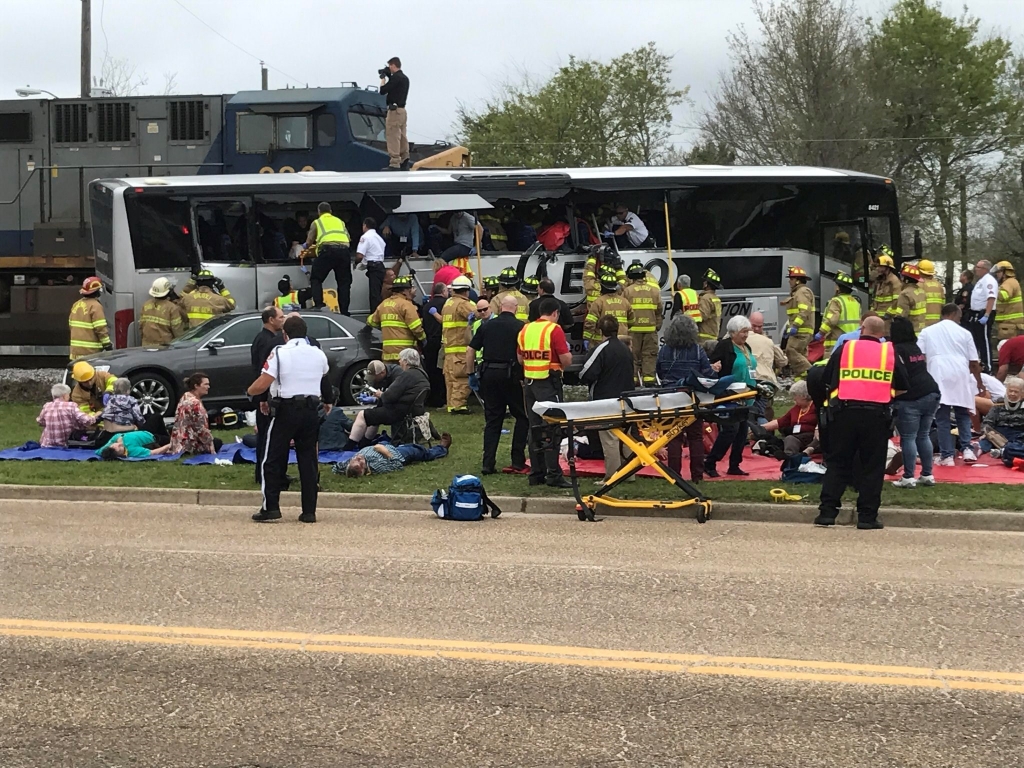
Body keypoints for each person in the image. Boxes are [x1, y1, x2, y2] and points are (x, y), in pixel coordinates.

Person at [814, 315, 909, 529]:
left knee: (838, 463)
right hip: (876, 415)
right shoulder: (889, 352)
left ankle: (827, 513)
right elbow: (903, 386)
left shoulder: (845, 348)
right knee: (872, 467)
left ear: (862, 328)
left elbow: (826, 379)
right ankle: (867, 517)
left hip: (844, 413)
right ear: (882, 333)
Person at [248, 315, 330, 524]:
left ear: (285, 334)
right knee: (308, 461)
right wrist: (328, 401)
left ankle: (271, 507)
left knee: (272, 458)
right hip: (312, 412)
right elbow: (325, 381)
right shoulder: (318, 353)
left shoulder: (280, 352)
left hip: (286, 411)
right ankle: (309, 511)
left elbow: (264, 381)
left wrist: (250, 392)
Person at [468, 295, 529, 475]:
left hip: (489, 375)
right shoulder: (521, 327)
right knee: (522, 417)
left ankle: (488, 464)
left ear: (500, 308)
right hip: (511, 376)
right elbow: (523, 354)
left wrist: (471, 373)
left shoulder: (487, 326)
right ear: (516, 308)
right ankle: (517, 461)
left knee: (493, 420)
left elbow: (471, 349)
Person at [917, 304, 984, 466]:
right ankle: (967, 449)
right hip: (960, 373)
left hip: (938, 373)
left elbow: (919, 355)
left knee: (942, 417)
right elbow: (974, 362)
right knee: (962, 412)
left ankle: (947, 456)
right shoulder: (965, 333)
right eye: (960, 317)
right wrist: (980, 383)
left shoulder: (927, 332)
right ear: (954, 314)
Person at [518, 296, 573, 488]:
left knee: (535, 429)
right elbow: (566, 359)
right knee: (553, 428)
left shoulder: (526, 329)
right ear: (555, 313)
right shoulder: (554, 329)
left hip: (530, 383)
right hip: (549, 383)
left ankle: (536, 473)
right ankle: (553, 474)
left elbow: (520, 358)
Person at [656, 315, 719, 482]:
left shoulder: (664, 350)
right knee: (695, 436)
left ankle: (674, 475)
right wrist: (715, 369)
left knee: (673, 436)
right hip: (691, 397)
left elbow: (660, 371)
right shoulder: (698, 350)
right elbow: (707, 374)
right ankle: (697, 476)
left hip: (670, 397)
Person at [580, 314, 638, 483]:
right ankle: (630, 473)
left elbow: (586, 373)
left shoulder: (601, 349)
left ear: (600, 330)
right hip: (626, 399)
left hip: (606, 401)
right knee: (626, 438)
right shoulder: (625, 349)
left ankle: (611, 476)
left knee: (610, 439)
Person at [888, 317, 941, 488]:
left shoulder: (895, 350)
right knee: (923, 435)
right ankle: (927, 474)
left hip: (911, 397)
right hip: (932, 391)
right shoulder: (915, 348)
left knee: (908, 437)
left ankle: (908, 477)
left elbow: (900, 374)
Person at [346, 348, 430, 449]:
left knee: (362, 415)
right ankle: (364, 443)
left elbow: (389, 397)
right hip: (413, 410)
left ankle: (350, 446)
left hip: (399, 413)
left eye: (401, 359)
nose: (399, 361)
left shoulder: (406, 375)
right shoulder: (422, 374)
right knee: (375, 414)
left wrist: (380, 395)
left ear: (406, 361)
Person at [706, 315, 758, 477]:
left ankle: (734, 465)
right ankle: (710, 462)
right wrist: (714, 367)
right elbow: (711, 366)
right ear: (733, 332)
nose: (746, 335)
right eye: (743, 332)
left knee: (742, 432)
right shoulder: (725, 346)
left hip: (746, 395)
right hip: (729, 395)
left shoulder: (746, 347)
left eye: (747, 332)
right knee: (730, 429)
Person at [250, 306, 286, 484]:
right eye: (280, 317)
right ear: (271, 320)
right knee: (266, 438)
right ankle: (264, 475)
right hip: (265, 398)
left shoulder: (265, 338)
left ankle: (273, 474)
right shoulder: (267, 341)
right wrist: (262, 399)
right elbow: (263, 372)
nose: (283, 319)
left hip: (264, 397)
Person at [305, 202, 353, 314]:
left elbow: (309, 242)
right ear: (330, 211)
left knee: (316, 278)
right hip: (344, 252)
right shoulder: (340, 221)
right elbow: (348, 238)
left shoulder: (317, 222)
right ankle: (345, 311)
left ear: (319, 212)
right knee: (344, 283)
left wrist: (307, 247)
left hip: (328, 251)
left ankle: (319, 305)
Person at [367, 275, 426, 362]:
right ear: (405, 291)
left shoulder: (383, 304)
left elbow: (371, 322)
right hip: (404, 354)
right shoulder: (406, 305)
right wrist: (423, 338)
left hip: (388, 355)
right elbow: (416, 328)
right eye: (410, 289)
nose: (412, 292)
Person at [338, 433, 453, 477]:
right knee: (421, 451)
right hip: (399, 453)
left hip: (386, 445)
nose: (358, 458)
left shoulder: (347, 466)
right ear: (364, 469)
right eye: (360, 463)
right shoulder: (376, 466)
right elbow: (397, 464)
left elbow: (337, 467)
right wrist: (384, 451)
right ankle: (442, 449)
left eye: (354, 460)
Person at [439, 274, 474, 413]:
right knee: (462, 379)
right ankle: (458, 406)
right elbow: (480, 316)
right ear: (466, 290)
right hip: (461, 349)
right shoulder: (464, 305)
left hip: (449, 350)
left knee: (451, 380)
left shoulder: (448, 304)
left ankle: (451, 405)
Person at [623, 261, 662, 386]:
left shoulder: (628, 291)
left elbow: (625, 310)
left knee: (632, 356)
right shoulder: (655, 291)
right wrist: (657, 325)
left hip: (633, 330)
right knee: (649, 356)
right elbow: (659, 311)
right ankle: (649, 382)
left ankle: (633, 381)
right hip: (650, 330)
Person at [759, 381, 818, 458]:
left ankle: (789, 456)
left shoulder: (816, 406)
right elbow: (780, 422)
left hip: (812, 436)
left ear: (803, 396)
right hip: (798, 436)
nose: (794, 398)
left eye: (795, 395)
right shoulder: (796, 408)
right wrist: (759, 428)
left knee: (790, 439)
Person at [747, 311, 786, 419]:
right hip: (765, 381)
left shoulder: (737, 336)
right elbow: (783, 361)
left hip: (747, 381)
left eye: (759, 326)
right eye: (754, 326)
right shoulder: (767, 341)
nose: (756, 329)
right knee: (762, 411)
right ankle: (764, 431)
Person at [170, 372, 221, 455]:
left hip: (178, 441)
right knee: (218, 442)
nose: (208, 387)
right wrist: (211, 447)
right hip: (189, 445)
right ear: (196, 386)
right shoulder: (195, 403)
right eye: (206, 384)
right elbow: (201, 429)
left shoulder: (185, 396)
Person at [37, 383, 99, 448]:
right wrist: (96, 415)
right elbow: (87, 420)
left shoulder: (47, 406)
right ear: (64, 396)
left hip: (47, 445)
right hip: (67, 443)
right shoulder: (71, 406)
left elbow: (40, 421)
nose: (69, 397)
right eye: (69, 395)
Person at [814, 272, 860, 356]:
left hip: (837, 340)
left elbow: (832, 320)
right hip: (853, 340)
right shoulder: (855, 302)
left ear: (838, 288)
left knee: (830, 364)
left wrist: (821, 332)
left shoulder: (836, 301)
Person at [584, 267, 633, 345]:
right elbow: (631, 321)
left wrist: (587, 338)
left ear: (602, 286)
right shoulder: (625, 302)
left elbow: (590, 322)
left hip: (602, 340)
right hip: (622, 340)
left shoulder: (598, 302)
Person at [781, 266, 815, 380]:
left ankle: (812, 374)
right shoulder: (797, 292)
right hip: (800, 331)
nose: (789, 281)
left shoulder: (802, 292)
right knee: (801, 356)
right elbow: (794, 314)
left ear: (797, 280)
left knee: (791, 351)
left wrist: (795, 326)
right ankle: (802, 382)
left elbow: (804, 310)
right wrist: (788, 327)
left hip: (801, 331)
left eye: (791, 278)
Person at [69, 275, 112, 359]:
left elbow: (71, 324)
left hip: (75, 352)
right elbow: (100, 328)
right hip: (90, 352)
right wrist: (107, 345)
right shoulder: (95, 306)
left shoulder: (76, 304)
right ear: (97, 291)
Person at [966, 259, 998, 372]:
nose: (976, 269)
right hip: (975, 313)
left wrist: (986, 314)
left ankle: (988, 366)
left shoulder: (989, 281)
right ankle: (979, 363)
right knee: (976, 340)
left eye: (978, 267)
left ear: (985, 269)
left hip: (983, 312)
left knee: (984, 340)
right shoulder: (981, 281)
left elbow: (991, 298)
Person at [980, 376, 1024, 457]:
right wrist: (986, 432)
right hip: (999, 432)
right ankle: (978, 450)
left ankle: (1003, 452)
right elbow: (988, 421)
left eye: (1016, 392)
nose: (1012, 394)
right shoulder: (1000, 402)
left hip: (1018, 433)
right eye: (1010, 391)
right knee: (986, 440)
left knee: (1019, 442)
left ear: (1022, 393)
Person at [379, 56, 410, 170]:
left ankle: (394, 162)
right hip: (402, 111)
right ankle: (405, 158)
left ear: (393, 65)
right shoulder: (405, 78)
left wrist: (383, 79)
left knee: (392, 136)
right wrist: (389, 76)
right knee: (402, 135)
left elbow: (383, 91)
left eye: (389, 66)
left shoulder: (396, 78)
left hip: (394, 111)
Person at [421, 281, 449, 408]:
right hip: (442, 341)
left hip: (429, 342)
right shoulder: (447, 304)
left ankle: (432, 398)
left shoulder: (427, 306)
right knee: (443, 371)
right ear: (443, 292)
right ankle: (442, 398)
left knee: (431, 371)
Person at [353, 217, 388, 312]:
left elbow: (360, 255)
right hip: (380, 266)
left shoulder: (365, 237)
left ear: (365, 225)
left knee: (374, 296)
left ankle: (375, 318)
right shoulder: (379, 238)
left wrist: (355, 263)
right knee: (378, 294)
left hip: (374, 267)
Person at [138, 277, 185, 347]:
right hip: (164, 348)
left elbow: (141, 327)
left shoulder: (146, 305)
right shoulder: (172, 308)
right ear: (169, 292)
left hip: (146, 346)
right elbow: (178, 331)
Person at [870, 246, 901, 333]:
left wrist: (888, 314)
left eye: (880, 267)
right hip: (877, 320)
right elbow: (875, 300)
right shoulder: (880, 281)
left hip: (887, 321)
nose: (877, 269)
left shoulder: (894, 282)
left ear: (887, 268)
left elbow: (897, 302)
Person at [891, 263, 927, 333]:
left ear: (906, 279)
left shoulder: (905, 294)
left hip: (910, 333)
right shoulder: (922, 292)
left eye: (902, 276)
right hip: (921, 331)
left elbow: (901, 317)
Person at [993, 260, 1024, 341]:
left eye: (998, 272)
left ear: (1005, 272)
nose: (996, 274)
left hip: (1010, 326)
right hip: (1008, 325)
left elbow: (1003, 296)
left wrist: (991, 289)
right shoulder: (1007, 283)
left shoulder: (1009, 282)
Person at [96, 431, 174, 460]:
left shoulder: (111, 443)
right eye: (120, 448)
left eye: (115, 446)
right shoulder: (132, 450)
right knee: (156, 417)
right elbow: (153, 452)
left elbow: (99, 452)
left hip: (144, 430)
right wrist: (169, 445)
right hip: (156, 438)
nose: (120, 444)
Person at [698, 268, 723, 346]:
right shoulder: (716, 299)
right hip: (713, 336)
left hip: (703, 339)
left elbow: (701, 316)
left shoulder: (706, 298)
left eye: (704, 281)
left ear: (706, 284)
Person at [917, 259, 945, 328]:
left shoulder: (919, 285)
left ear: (920, 271)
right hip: (937, 324)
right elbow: (943, 304)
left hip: (922, 323)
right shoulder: (939, 285)